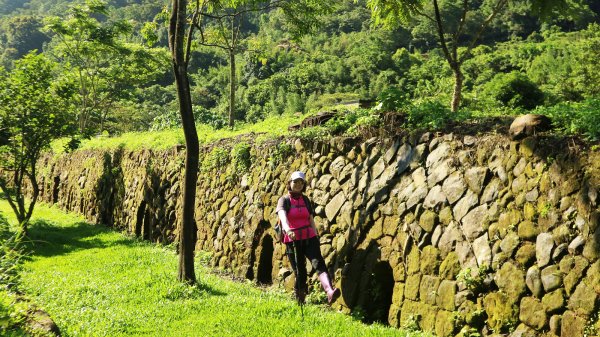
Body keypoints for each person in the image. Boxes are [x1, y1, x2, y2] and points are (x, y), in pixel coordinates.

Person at [276, 171, 340, 305]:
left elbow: (310, 218)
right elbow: (282, 216)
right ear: (290, 183)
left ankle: (329, 291)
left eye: (301, 182)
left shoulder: (305, 200)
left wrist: (315, 235)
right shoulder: (284, 200)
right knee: (301, 271)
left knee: (318, 263)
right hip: (293, 239)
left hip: (309, 237)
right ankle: (300, 299)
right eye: (295, 182)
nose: (298, 185)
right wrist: (288, 230)